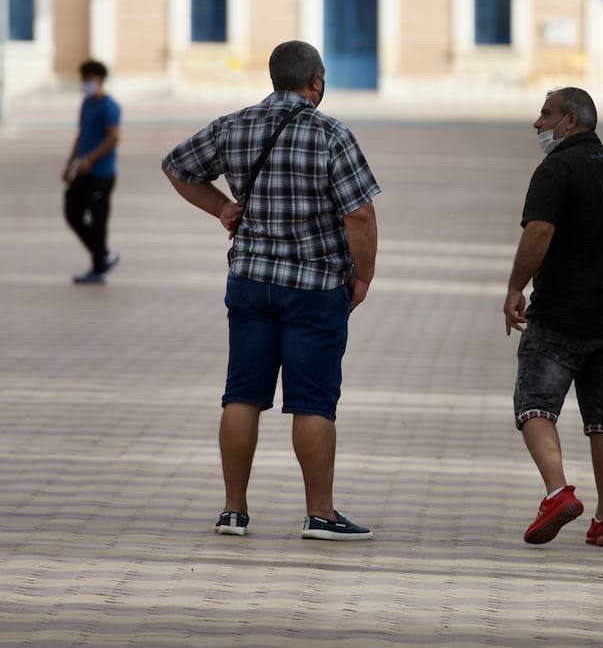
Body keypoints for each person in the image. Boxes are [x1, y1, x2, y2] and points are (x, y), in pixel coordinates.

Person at [161, 41, 380, 541]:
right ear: (316, 81)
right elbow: (360, 214)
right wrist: (363, 274)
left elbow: (177, 166)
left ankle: (233, 511)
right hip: (314, 286)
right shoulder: (331, 134)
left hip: (251, 283)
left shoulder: (234, 125)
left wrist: (221, 207)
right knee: (312, 403)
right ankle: (320, 514)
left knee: (242, 394)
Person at [504, 87, 603, 548]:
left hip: (560, 315)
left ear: (570, 120)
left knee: (534, 406)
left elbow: (540, 232)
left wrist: (516, 286)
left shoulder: (555, 169)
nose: (538, 123)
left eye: (545, 114)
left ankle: (557, 492)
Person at [64, 60, 121, 284]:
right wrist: (70, 164)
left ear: (98, 80)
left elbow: (114, 137)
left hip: (102, 174)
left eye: (87, 79)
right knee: (72, 213)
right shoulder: (86, 104)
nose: (84, 84)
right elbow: (80, 135)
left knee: (98, 222)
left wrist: (90, 159)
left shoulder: (109, 106)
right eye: (83, 79)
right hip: (83, 172)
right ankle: (104, 255)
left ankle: (99, 267)